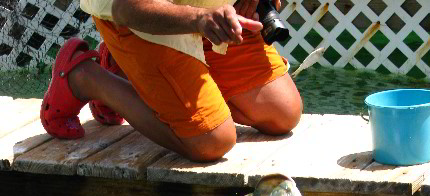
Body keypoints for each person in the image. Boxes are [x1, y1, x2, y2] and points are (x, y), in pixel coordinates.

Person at [40, 0, 302, 162]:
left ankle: (126, 65)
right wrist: (200, 19)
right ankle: (87, 77)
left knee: (283, 113)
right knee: (211, 141)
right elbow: (127, 8)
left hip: (211, 12)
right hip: (138, 16)